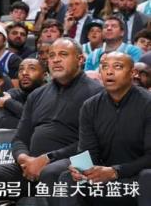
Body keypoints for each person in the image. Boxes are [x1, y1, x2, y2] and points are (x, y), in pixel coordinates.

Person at [0, 38, 102, 206]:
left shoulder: (97, 93)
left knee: (51, 172)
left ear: (80, 59)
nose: (56, 60)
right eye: (52, 56)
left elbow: (92, 143)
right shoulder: (37, 95)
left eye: (63, 54)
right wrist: (24, 159)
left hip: (75, 162)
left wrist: (47, 159)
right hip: (31, 167)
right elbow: (20, 138)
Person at [60, 52, 151, 206]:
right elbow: (88, 153)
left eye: (117, 67)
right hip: (104, 176)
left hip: (137, 177)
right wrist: (80, 169)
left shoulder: (147, 103)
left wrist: (115, 171)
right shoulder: (90, 106)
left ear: (133, 73)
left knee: (148, 177)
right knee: (67, 178)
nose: (109, 72)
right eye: (104, 67)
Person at [0, 58, 46, 129]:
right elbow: (5, 123)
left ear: (44, 75)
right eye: (21, 69)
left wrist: (9, 102)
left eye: (32, 68)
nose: (24, 73)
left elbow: (39, 121)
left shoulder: (51, 95)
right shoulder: (12, 94)